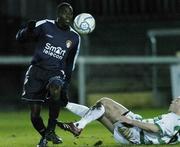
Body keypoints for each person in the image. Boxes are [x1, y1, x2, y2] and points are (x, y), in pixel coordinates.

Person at [16, 2, 81, 147]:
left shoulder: (75, 37)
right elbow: (19, 38)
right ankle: (46, 135)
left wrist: (66, 85)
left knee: (56, 87)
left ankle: (51, 129)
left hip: (55, 72)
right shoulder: (45, 25)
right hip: (36, 71)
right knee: (34, 115)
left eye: (70, 13)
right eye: (65, 13)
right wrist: (28, 31)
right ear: (58, 14)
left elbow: (70, 64)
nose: (68, 16)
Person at [57, 97, 180, 144]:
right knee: (99, 111)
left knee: (104, 103)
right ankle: (66, 105)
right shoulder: (176, 122)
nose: (172, 101)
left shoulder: (173, 118)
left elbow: (154, 128)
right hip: (134, 135)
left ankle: (78, 125)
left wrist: (131, 122)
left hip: (134, 131)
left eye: (176, 100)